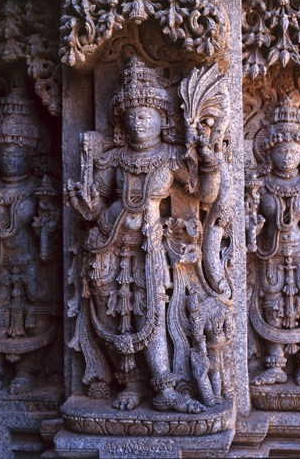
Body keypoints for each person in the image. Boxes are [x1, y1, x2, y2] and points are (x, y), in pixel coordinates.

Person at [66, 57, 221, 412]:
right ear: (122, 120)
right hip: (110, 241)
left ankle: (164, 387)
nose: (139, 120)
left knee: (152, 312)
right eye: (133, 113)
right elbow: (97, 203)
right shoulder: (115, 158)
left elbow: (204, 193)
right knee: (114, 312)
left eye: (147, 113)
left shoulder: (170, 157)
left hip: (152, 246)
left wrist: (210, 160)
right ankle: (131, 382)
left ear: (162, 118)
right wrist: (83, 204)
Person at [247, 97, 300, 386]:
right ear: (270, 152)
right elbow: (249, 225)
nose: (287, 157)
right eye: (281, 151)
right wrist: (251, 227)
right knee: (271, 305)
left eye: (293, 151)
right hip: (271, 253)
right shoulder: (260, 184)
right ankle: (275, 364)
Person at [0, 82, 59, 394]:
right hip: (0, 262)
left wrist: (46, 229)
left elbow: (49, 240)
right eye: (4, 151)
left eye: (18, 152)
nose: (11, 158)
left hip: (31, 262)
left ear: (31, 154)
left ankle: (27, 371)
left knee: (36, 319)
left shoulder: (37, 187)